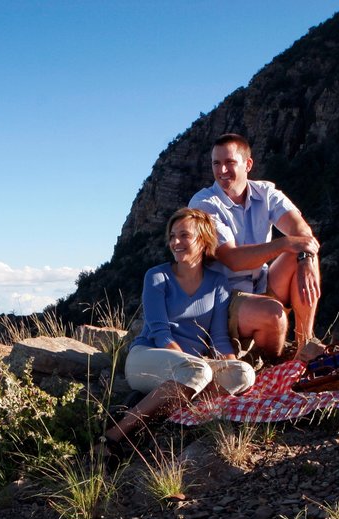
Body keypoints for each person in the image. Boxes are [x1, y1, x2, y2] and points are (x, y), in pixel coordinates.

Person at [99, 208, 255, 460]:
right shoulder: (157, 276)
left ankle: (157, 413)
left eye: (184, 235)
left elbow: (218, 337)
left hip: (191, 369)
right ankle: (115, 435)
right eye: (172, 236)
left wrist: (228, 361)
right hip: (148, 357)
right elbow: (160, 333)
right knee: (198, 371)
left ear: (203, 240)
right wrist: (193, 365)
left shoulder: (218, 283)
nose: (175, 242)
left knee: (244, 373)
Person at [189, 133, 321, 363]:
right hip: (223, 298)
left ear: (248, 164)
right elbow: (232, 259)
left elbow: (302, 232)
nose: (222, 171)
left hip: (260, 284)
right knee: (273, 313)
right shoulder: (205, 204)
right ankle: (269, 364)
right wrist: (285, 243)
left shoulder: (266, 193)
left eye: (229, 162)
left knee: (302, 254)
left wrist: (306, 258)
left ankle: (305, 345)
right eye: (216, 163)